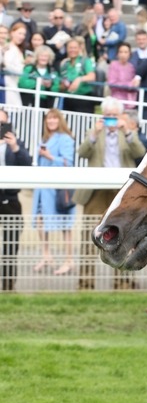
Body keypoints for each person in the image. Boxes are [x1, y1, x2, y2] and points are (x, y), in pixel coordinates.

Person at [76, 97, 147, 290]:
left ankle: (122, 281)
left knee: (122, 236)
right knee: (89, 235)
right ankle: (85, 282)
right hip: (96, 191)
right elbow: (81, 153)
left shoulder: (128, 133)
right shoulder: (94, 132)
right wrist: (93, 135)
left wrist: (127, 132)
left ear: (121, 116)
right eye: (107, 115)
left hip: (121, 192)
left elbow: (140, 152)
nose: (110, 119)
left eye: (114, 116)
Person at [31, 109, 76, 276]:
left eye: (54, 118)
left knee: (65, 225)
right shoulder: (45, 138)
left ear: (60, 120)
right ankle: (46, 255)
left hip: (58, 189)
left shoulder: (65, 139)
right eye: (49, 118)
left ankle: (69, 260)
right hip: (43, 188)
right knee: (41, 220)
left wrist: (49, 156)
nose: (51, 121)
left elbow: (68, 162)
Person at [0, 108, 32, 291]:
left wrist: (15, 148)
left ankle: (8, 284)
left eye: (3, 123)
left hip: (11, 199)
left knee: (11, 243)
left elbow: (27, 164)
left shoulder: (16, 143)